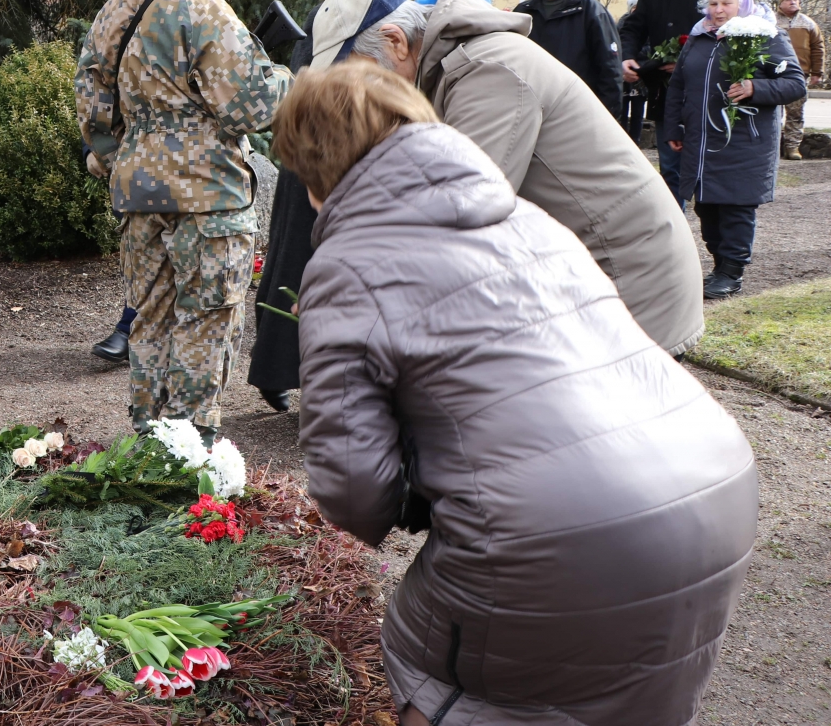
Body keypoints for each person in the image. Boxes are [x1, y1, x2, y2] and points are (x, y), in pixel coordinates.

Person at [280, 61, 756, 726]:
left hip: (561, 530)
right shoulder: (529, 218)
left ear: (314, 168)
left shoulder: (348, 263)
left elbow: (356, 495)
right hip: (709, 484)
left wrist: (418, 482)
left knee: (436, 666)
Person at [311, 0, 705, 356]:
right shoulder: (457, 67)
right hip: (592, 277)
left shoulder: (488, 70)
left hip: (628, 281)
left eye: (362, 75)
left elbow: (459, 217)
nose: (364, 94)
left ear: (395, 42)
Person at [76, 0, 289, 438]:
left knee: (150, 321)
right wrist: (285, 77)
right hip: (209, 195)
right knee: (206, 322)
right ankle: (189, 453)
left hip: (138, 193)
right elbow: (249, 108)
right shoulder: (204, 9)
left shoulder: (114, 9)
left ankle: (150, 446)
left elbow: (92, 106)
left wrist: (117, 160)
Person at [249, 0, 420, 413]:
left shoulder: (382, 11)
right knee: (302, 261)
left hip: (337, 151)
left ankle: (295, 372)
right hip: (326, 154)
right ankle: (284, 371)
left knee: (307, 262)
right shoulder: (350, 9)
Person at [666, 0, 805, 298]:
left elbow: (795, 84)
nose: (718, 10)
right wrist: (674, 126)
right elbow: (678, 85)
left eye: (726, 3)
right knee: (707, 208)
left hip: (744, 141)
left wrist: (755, 88)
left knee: (735, 208)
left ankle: (732, 272)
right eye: (713, 4)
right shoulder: (699, 37)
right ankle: (719, 267)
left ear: (742, 4)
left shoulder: (766, 35)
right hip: (702, 140)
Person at [617, 0, 729, 195]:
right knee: (670, 167)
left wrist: (691, 63)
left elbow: (739, 33)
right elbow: (632, 28)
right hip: (667, 94)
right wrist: (627, 56)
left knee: (712, 169)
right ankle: (675, 218)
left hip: (710, 94)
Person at [90, 0, 144, 367]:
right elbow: (95, 98)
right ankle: (132, 327)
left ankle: (130, 329)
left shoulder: (194, 26)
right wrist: (99, 151)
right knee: (139, 253)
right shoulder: (114, 41)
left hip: (191, 169)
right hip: (133, 164)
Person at [514, 0, 623, 110]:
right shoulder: (524, 12)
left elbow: (610, 70)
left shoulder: (590, 11)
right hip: (532, 109)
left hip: (577, 110)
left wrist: (607, 115)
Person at [773, 0, 822, 159]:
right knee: (774, 113)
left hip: (799, 74)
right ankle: (773, 147)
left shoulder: (808, 23)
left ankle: (792, 147)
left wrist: (817, 72)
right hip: (774, 74)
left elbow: (818, 47)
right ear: (781, 3)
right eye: (789, 0)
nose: (793, 2)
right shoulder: (770, 21)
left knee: (796, 112)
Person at [619, 0, 649, 140]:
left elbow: (650, 47)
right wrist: (626, 56)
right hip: (624, 76)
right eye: (634, 7)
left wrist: (635, 55)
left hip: (640, 74)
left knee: (638, 113)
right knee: (622, 112)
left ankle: (636, 141)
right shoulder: (621, 24)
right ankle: (623, 140)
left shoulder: (648, 24)